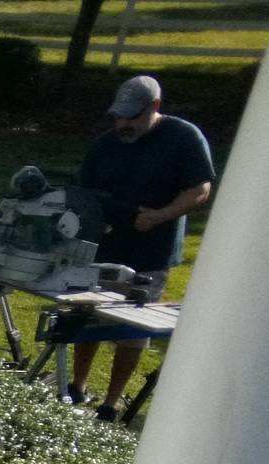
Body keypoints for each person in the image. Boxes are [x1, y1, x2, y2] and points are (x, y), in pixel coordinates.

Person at [69, 74, 214, 422]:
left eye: (132, 117)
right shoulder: (106, 144)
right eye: (118, 117)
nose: (123, 124)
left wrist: (160, 216)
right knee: (88, 317)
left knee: (131, 330)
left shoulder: (183, 138)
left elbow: (200, 190)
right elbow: (82, 193)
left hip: (151, 250)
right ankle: (76, 386)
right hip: (104, 245)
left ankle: (111, 403)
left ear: (155, 107)